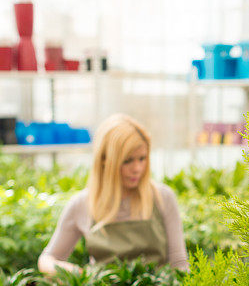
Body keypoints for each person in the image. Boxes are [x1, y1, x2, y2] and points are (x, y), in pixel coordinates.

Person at [39, 114, 189, 274]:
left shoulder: (162, 197)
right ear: (104, 160)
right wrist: (78, 273)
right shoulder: (83, 204)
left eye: (142, 158)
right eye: (127, 160)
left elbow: (179, 263)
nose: (137, 168)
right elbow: (47, 259)